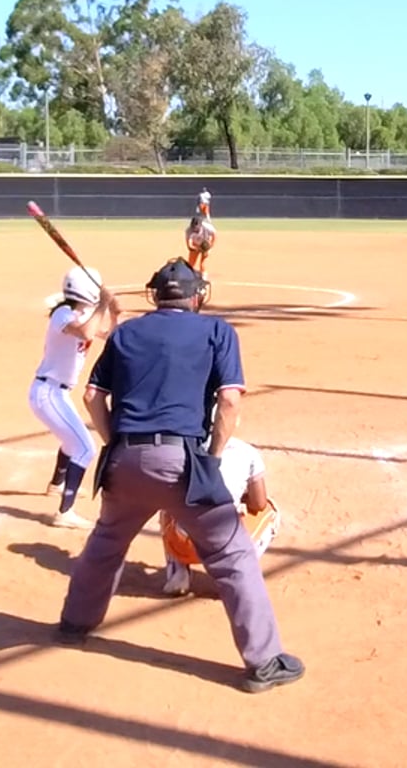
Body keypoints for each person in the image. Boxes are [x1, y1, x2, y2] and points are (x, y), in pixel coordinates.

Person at [56, 258, 304, 694]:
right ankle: (264, 662)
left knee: (106, 542)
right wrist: (213, 457)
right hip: (184, 461)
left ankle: (75, 624)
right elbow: (229, 401)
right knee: (232, 554)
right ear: (196, 296)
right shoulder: (217, 331)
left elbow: (93, 395)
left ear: (156, 294)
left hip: (124, 461)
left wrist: (117, 444)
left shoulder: (126, 333)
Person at [33, 267, 121, 528]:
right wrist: (103, 303)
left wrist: (114, 313)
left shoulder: (82, 315)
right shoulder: (63, 313)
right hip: (48, 392)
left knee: (72, 439)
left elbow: (110, 337)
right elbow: (85, 333)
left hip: (57, 393)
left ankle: (57, 484)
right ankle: (65, 513)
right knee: (84, 448)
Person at [159, 435, 280, 597]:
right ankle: (238, 574)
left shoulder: (182, 449)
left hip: (184, 544)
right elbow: (259, 504)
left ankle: (178, 573)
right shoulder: (246, 451)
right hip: (225, 545)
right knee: (270, 510)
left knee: (168, 505)